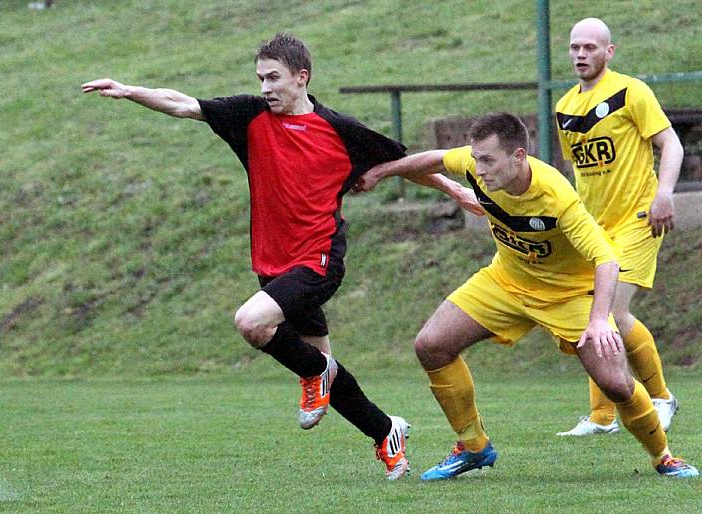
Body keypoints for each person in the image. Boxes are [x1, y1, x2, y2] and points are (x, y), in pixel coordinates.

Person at [82, 33, 480, 480]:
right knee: (328, 373)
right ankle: (386, 431)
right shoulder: (247, 116)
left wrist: (455, 190)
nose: (266, 87)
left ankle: (317, 377)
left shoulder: (339, 130)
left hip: (318, 259)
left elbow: (404, 164)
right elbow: (181, 103)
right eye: (260, 78)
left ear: (301, 77)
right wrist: (129, 90)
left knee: (252, 324)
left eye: (274, 78)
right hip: (271, 266)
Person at [355, 112, 698, 479]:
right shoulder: (475, 166)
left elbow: (606, 259)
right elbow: (435, 158)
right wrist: (385, 172)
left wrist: (599, 320)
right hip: (507, 280)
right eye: (476, 158)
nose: (479, 168)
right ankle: (473, 447)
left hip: (568, 293)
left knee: (615, 384)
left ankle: (664, 457)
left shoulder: (556, 197)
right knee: (431, 345)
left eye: (488, 160)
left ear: (518, 156)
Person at [554, 18, 683, 437]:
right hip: (594, 231)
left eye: (590, 47)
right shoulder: (565, 108)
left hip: (639, 219)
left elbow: (671, 143)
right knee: (591, 315)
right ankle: (602, 416)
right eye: (575, 47)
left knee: (608, 312)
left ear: (609, 52)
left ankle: (661, 397)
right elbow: (578, 172)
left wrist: (663, 194)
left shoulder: (631, 91)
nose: (580, 54)